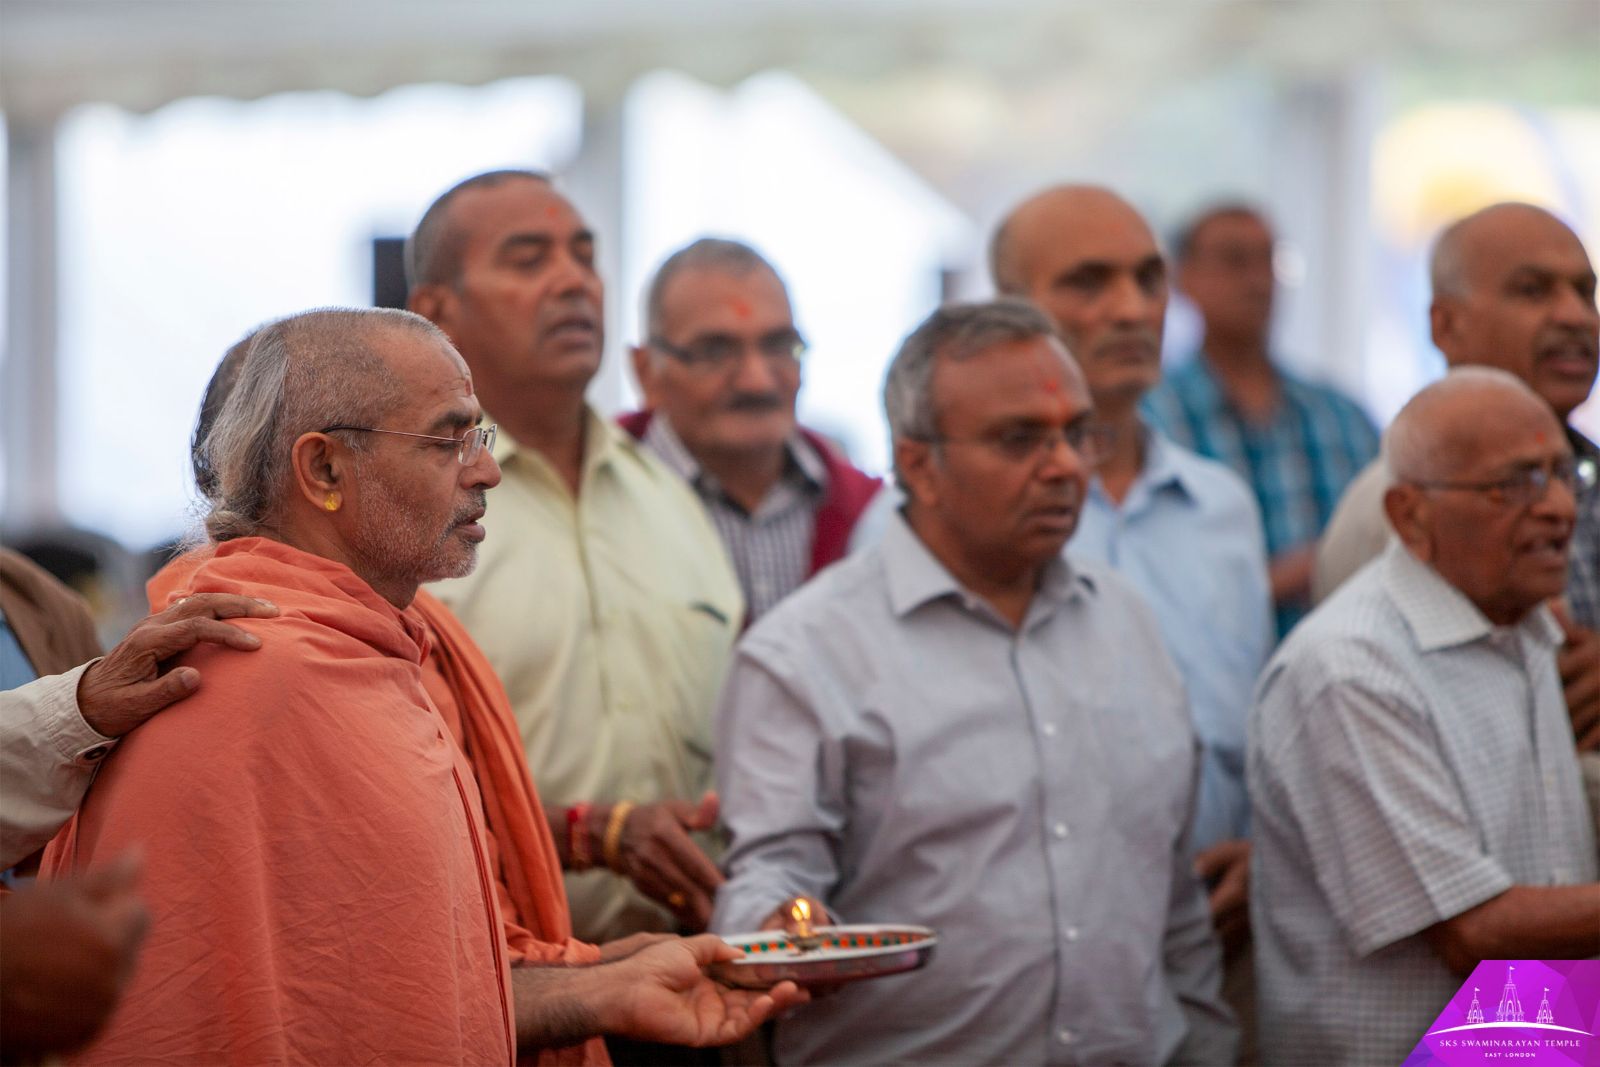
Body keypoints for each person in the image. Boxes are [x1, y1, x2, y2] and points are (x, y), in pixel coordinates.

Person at [40, 307, 800, 1064]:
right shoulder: (251, 669)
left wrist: (607, 974)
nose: (487, 469)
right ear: (324, 469)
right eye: (449, 439)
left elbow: (414, 971)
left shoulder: (358, 649)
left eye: (479, 435)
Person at [713, 300, 1236, 1065]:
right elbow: (770, 876)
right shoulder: (806, 654)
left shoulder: (1127, 622)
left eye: (1078, 433)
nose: (1065, 466)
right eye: (1020, 438)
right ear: (917, 463)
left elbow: (1174, 905)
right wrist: (786, 927)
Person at [408, 171, 743, 946]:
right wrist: (597, 833)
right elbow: (380, 787)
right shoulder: (406, 513)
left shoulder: (669, 496)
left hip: (694, 986)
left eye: (584, 256)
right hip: (507, 1004)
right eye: (528, 260)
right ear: (435, 311)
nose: (571, 282)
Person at [1249, 367, 1599, 1066]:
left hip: (1536, 1044)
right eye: (1518, 483)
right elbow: (1477, 930)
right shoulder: (1352, 667)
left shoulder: (1523, 623)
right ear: (1410, 515)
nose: (1560, 507)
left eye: (1567, 474)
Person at [990, 186, 1272, 978]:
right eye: (1089, 281)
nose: (1133, 307)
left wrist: (1265, 848)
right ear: (1011, 309)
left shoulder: (1221, 507)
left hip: (1220, 945)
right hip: (1029, 966)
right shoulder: (956, 523)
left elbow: (1250, 732)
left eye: (1149, 279)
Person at [1312, 202, 1600, 822]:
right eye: (1533, 290)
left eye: (1586, 290)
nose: (1576, 316)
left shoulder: (1592, 479)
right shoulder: (1401, 508)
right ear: (1445, 327)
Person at [1143, 203, 1379, 637]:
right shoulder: (1151, 420)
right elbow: (1148, 586)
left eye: (1269, 261)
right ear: (1181, 279)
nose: (1258, 280)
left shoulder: (1341, 417)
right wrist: (1284, 579)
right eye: (1234, 261)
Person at [620, 238, 881, 621]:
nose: (756, 381)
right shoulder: (589, 505)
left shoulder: (876, 517)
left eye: (779, 346)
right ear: (646, 372)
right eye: (715, 351)